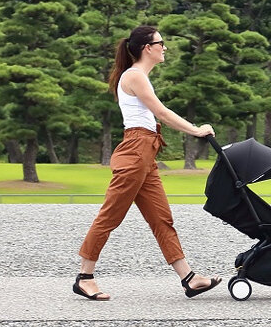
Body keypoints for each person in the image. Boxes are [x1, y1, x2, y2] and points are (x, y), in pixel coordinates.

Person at [74, 25, 222, 300]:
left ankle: (188, 278)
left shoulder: (138, 76)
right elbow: (161, 113)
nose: (164, 47)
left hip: (146, 152)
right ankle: (85, 277)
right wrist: (196, 130)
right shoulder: (134, 75)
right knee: (110, 216)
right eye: (160, 42)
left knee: (162, 218)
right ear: (147, 48)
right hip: (135, 152)